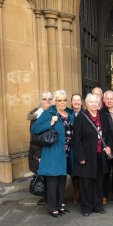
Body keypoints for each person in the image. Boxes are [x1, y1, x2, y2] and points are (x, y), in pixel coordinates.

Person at [31, 90, 74, 218]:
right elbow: (34, 129)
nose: (62, 102)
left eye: (64, 100)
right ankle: (52, 207)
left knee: (62, 180)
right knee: (52, 181)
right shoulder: (49, 113)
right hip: (53, 152)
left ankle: (60, 205)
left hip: (66, 152)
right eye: (59, 100)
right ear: (55, 102)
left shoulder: (69, 114)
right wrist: (50, 123)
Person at [73, 93, 113, 216]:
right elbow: (76, 139)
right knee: (87, 182)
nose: (94, 104)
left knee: (99, 181)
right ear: (86, 104)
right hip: (87, 155)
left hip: (100, 154)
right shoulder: (81, 117)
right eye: (91, 102)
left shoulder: (103, 116)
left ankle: (98, 205)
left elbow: (109, 134)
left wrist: (109, 147)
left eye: (96, 102)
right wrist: (80, 156)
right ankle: (86, 207)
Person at [27, 91, 53, 175]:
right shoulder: (36, 116)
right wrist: (39, 155)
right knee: (42, 183)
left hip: (53, 151)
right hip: (41, 153)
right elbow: (34, 138)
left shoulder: (56, 113)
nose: (47, 101)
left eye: (50, 99)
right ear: (41, 101)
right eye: (44, 99)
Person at [70, 93, 84, 203]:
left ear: (82, 102)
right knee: (73, 170)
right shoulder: (68, 114)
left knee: (83, 168)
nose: (76, 102)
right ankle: (76, 193)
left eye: (78, 100)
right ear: (71, 102)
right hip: (71, 146)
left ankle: (84, 192)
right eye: (74, 100)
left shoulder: (85, 114)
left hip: (83, 145)